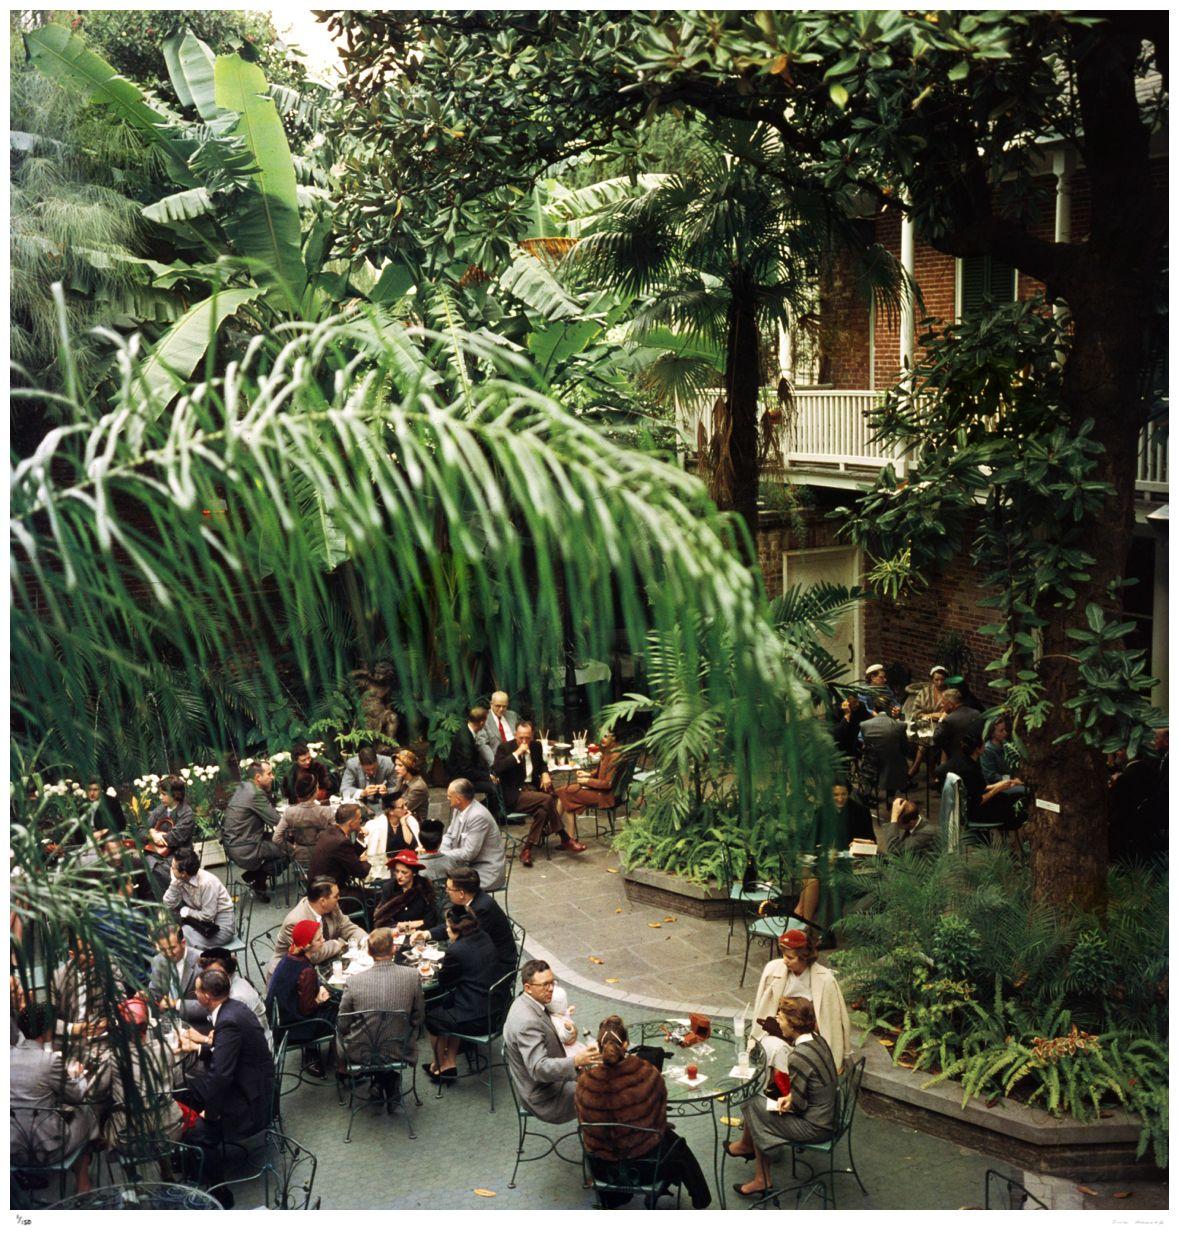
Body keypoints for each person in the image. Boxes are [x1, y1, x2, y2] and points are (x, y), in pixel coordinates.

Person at [576, 1014, 712, 1210]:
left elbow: (585, 1126)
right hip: (646, 1167)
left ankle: (613, 1198)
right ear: (626, 1044)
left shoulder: (585, 1083)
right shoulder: (646, 1073)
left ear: (598, 1047)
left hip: (604, 1169)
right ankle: (701, 1200)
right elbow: (660, 1116)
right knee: (677, 1144)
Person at [177, 967, 275, 1207]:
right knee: (185, 1090)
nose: (195, 995)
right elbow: (228, 1053)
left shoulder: (228, 1020)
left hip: (250, 1100)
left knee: (198, 1130)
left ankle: (219, 1192)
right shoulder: (234, 1008)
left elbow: (221, 1075)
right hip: (253, 1083)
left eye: (196, 991)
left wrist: (209, 1113)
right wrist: (199, 1048)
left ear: (206, 997)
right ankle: (190, 1160)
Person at [728, 996, 839, 1199]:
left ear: (794, 1024)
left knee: (753, 1103)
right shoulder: (817, 1039)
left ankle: (762, 1177)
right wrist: (778, 1094)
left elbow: (796, 1105)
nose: (777, 1021)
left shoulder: (799, 1056)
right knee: (763, 1098)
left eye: (781, 1018)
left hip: (816, 1127)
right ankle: (748, 1146)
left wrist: (777, 1098)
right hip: (828, 1113)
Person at [11, 1001, 99, 1194]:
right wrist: (79, 1076)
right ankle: (83, 1183)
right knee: (86, 1111)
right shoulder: (49, 1061)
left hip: (12, 1149)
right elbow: (76, 1095)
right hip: (45, 1150)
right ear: (47, 1030)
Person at [505, 960, 600, 1123]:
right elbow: (538, 1068)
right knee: (604, 1091)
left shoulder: (527, 1001)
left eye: (552, 982)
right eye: (544, 985)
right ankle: (601, 1140)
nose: (551, 989)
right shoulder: (527, 1022)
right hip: (544, 1096)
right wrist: (576, 1061)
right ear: (528, 987)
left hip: (550, 1081)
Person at [748, 928, 850, 1071]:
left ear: (804, 957)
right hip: (779, 1031)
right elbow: (762, 1006)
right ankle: (777, 1088)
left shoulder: (825, 980)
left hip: (808, 1038)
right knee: (773, 1049)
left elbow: (832, 1019)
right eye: (783, 955)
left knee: (803, 1059)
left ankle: (795, 1089)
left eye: (790, 958)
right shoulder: (773, 970)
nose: (784, 961)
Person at [337, 927, 425, 1093]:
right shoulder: (412, 975)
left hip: (360, 1051)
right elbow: (419, 1017)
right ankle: (388, 1080)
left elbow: (342, 1023)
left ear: (369, 952)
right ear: (394, 949)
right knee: (384, 1038)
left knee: (363, 1036)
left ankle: (379, 1082)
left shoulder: (353, 981)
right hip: (399, 1048)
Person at [423, 906, 503, 1084]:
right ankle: (449, 1062)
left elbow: (444, 982)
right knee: (450, 1003)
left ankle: (437, 1065)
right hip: (497, 1009)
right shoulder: (484, 936)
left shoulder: (456, 950)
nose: (445, 930)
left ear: (456, 930)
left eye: (447, 927)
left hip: (478, 1019)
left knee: (432, 1017)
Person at [494, 720, 583, 867]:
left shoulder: (536, 746)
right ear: (515, 735)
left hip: (533, 792)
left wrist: (545, 773)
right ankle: (565, 837)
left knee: (542, 811)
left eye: (527, 737)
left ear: (532, 736)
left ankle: (527, 849)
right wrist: (517, 753)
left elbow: (542, 764)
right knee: (548, 799)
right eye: (520, 737)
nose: (524, 741)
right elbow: (496, 769)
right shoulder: (505, 748)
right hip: (513, 795)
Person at [101, 996, 184, 1152]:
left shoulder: (112, 1058)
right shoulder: (164, 1048)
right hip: (171, 1132)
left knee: (104, 1118)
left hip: (131, 1140)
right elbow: (174, 1078)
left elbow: (96, 1091)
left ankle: (131, 1173)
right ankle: (165, 1168)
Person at [412, 864, 516, 972]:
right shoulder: (467, 899)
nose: (446, 891)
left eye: (448, 889)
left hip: (498, 965)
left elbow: (471, 944)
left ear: (461, 893)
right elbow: (453, 924)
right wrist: (426, 934)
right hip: (479, 953)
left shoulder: (483, 909)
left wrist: (443, 960)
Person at [266, 919, 336, 1077]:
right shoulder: (307, 971)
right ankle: (342, 1065)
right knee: (341, 1011)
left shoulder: (288, 957)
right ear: (307, 946)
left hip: (279, 1023)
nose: (323, 940)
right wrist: (319, 999)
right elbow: (307, 1010)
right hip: (294, 1028)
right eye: (318, 939)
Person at [793, 781, 869, 925]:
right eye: (836, 795)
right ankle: (804, 917)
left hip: (850, 861)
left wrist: (849, 850)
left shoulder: (861, 812)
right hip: (826, 858)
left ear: (849, 794)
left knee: (813, 878)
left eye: (843, 794)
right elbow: (813, 838)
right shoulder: (823, 811)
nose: (840, 798)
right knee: (810, 878)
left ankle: (802, 916)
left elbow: (870, 841)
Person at [270, 878, 368, 976]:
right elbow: (313, 955)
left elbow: (346, 926)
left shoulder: (332, 906)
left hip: (323, 963)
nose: (339, 898)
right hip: (290, 976)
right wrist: (336, 944)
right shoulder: (296, 922)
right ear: (322, 901)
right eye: (336, 896)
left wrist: (366, 941)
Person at [221, 760, 289, 902]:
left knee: (281, 840)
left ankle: (256, 876)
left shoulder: (244, 787)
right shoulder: (255, 794)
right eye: (269, 774)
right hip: (245, 847)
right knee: (291, 848)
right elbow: (277, 821)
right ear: (258, 777)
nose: (272, 777)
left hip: (233, 844)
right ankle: (259, 878)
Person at [937, 733, 1023, 829]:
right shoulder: (971, 769)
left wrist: (999, 784)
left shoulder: (963, 760)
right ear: (977, 749)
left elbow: (975, 787)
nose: (985, 745)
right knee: (1013, 807)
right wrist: (998, 789)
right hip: (974, 812)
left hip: (970, 805)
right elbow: (978, 800)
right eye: (983, 744)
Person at [555, 729, 623, 841]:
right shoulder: (609, 750)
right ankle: (567, 837)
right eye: (601, 735)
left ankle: (562, 833)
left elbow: (608, 783)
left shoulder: (615, 755)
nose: (602, 738)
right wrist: (588, 774)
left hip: (606, 796)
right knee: (564, 792)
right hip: (601, 791)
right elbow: (601, 771)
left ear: (614, 738)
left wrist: (587, 781)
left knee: (565, 794)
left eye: (606, 736)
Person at [197, 948, 271, 1051]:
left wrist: (201, 1046)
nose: (210, 978)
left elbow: (229, 1045)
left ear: (227, 972)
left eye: (215, 973)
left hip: (255, 1050)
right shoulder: (232, 983)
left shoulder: (236, 998)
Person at [440, 778, 506, 891]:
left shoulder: (478, 816)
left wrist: (442, 854)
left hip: (486, 871)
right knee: (438, 874)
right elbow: (449, 835)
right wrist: (440, 852)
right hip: (468, 865)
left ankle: (456, 907)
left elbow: (469, 853)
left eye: (449, 796)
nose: (447, 799)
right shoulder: (458, 809)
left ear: (459, 799)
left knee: (447, 885)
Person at [162, 848, 235, 947]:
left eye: (173, 867)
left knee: (181, 941)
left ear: (184, 873)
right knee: (175, 935)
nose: (171, 869)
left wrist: (188, 911)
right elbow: (167, 904)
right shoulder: (181, 880)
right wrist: (174, 883)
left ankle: (196, 960)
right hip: (200, 924)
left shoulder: (206, 883)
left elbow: (207, 916)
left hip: (219, 928)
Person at [273, 771, 335, 865]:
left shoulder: (289, 812)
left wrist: (292, 848)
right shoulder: (327, 811)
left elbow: (276, 838)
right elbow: (338, 835)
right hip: (324, 858)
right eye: (317, 787)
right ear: (314, 792)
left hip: (301, 858)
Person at [309, 802, 372, 893]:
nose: (361, 821)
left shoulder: (329, 832)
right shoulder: (341, 841)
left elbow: (347, 856)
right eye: (359, 819)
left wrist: (359, 839)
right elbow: (360, 872)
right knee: (376, 895)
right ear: (351, 823)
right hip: (329, 894)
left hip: (317, 888)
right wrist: (367, 861)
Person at [148, 923, 204, 1023]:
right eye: (162, 950)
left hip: (193, 1022)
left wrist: (176, 1003)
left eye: (172, 948)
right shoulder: (158, 960)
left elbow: (209, 1006)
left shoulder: (202, 963)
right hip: (165, 1021)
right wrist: (147, 996)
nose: (168, 954)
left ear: (183, 942)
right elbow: (154, 991)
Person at [373, 848, 440, 932]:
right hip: (396, 934)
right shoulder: (389, 888)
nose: (399, 876)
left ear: (413, 873)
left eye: (404, 872)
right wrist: (409, 924)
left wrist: (407, 926)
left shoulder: (424, 888)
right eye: (397, 871)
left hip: (420, 933)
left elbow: (430, 921)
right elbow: (381, 920)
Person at [446, 707, 502, 803]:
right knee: (494, 787)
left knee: (496, 779)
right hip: (461, 779)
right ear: (482, 723)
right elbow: (467, 770)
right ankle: (486, 811)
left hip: (467, 773)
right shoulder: (465, 742)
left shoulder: (466, 729)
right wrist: (487, 776)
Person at [858, 705, 912, 801]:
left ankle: (867, 794)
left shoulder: (864, 725)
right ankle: (891, 797)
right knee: (897, 760)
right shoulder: (900, 726)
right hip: (893, 768)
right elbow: (905, 749)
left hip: (871, 767)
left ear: (874, 710)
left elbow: (866, 746)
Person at [339, 744, 396, 814]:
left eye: (373, 768)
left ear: (377, 761)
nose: (371, 772)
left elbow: (396, 788)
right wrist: (362, 793)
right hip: (361, 805)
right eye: (367, 770)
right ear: (360, 765)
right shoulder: (352, 765)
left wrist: (386, 791)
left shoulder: (389, 764)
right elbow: (344, 790)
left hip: (383, 804)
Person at [932, 689, 984, 762]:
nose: (941, 705)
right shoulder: (977, 713)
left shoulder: (949, 719)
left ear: (950, 704)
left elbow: (936, 739)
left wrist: (941, 719)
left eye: (943, 703)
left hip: (955, 759)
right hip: (976, 758)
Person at [282, 740, 333, 804]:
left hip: (319, 802)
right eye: (303, 760)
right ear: (296, 761)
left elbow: (325, 788)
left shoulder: (318, 766)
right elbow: (287, 795)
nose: (308, 762)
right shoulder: (290, 774)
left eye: (309, 758)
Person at [393, 748, 430, 820]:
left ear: (409, 767)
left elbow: (401, 810)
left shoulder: (418, 787)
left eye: (400, 765)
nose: (396, 768)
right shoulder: (401, 778)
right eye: (395, 765)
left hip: (413, 823)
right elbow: (394, 798)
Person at [832, 695, 866, 762]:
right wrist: (847, 714)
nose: (857, 704)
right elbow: (839, 733)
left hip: (856, 739)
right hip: (843, 744)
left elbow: (865, 721)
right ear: (846, 702)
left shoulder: (861, 706)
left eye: (858, 701)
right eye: (855, 702)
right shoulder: (838, 711)